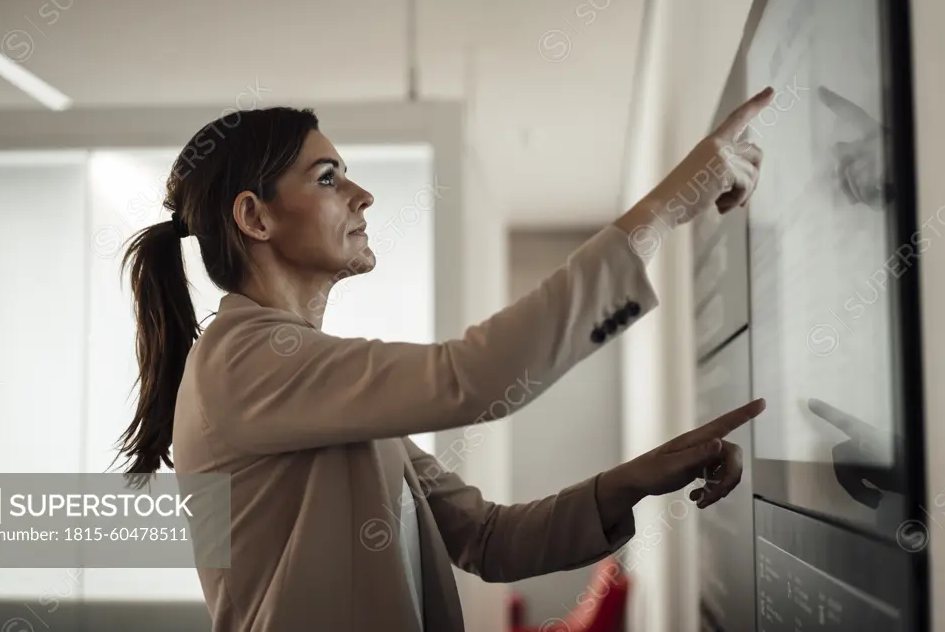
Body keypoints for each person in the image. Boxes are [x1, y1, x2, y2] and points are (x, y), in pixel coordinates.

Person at [114, 86, 774, 632]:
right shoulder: (243, 359)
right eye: (327, 177)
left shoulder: (310, 386)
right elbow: (474, 378)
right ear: (255, 217)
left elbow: (486, 537)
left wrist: (635, 477)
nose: (361, 195)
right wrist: (665, 208)